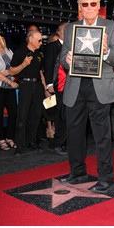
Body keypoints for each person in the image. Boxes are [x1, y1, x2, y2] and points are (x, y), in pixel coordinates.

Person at [59, 0, 114, 194]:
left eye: (93, 4)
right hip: (76, 86)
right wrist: (66, 61)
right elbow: (62, 57)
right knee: (74, 132)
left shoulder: (110, 26)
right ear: (79, 7)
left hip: (100, 87)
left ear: (99, 5)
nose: (89, 8)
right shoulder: (70, 29)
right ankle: (77, 172)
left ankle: (106, 179)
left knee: (102, 135)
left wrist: (106, 52)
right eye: (85, 5)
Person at [9, 30, 45, 155]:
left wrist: (45, 88)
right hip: (25, 85)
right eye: (39, 40)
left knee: (36, 115)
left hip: (38, 85)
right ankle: (20, 145)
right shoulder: (20, 52)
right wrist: (24, 64)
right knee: (22, 116)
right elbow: (12, 71)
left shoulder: (40, 53)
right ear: (30, 39)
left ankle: (32, 142)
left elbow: (41, 72)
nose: (41, 42)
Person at [44, 22, 68, 155]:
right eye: (65, 30)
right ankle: (57, 143)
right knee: (59, 116)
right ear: (59, 32)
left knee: (66, 116)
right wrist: (49, 85)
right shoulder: (52, 46)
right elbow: (48, 66)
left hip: (69, 86)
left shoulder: (71, 46)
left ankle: (62, 142)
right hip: (58, 86)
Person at [0, 33, 18, 150]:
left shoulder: (8, 51)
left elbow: (14, 67)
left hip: (10, 87)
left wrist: (10, 73)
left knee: (13, 112)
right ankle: (1, 139)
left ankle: (10, 137)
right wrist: (9, 81)